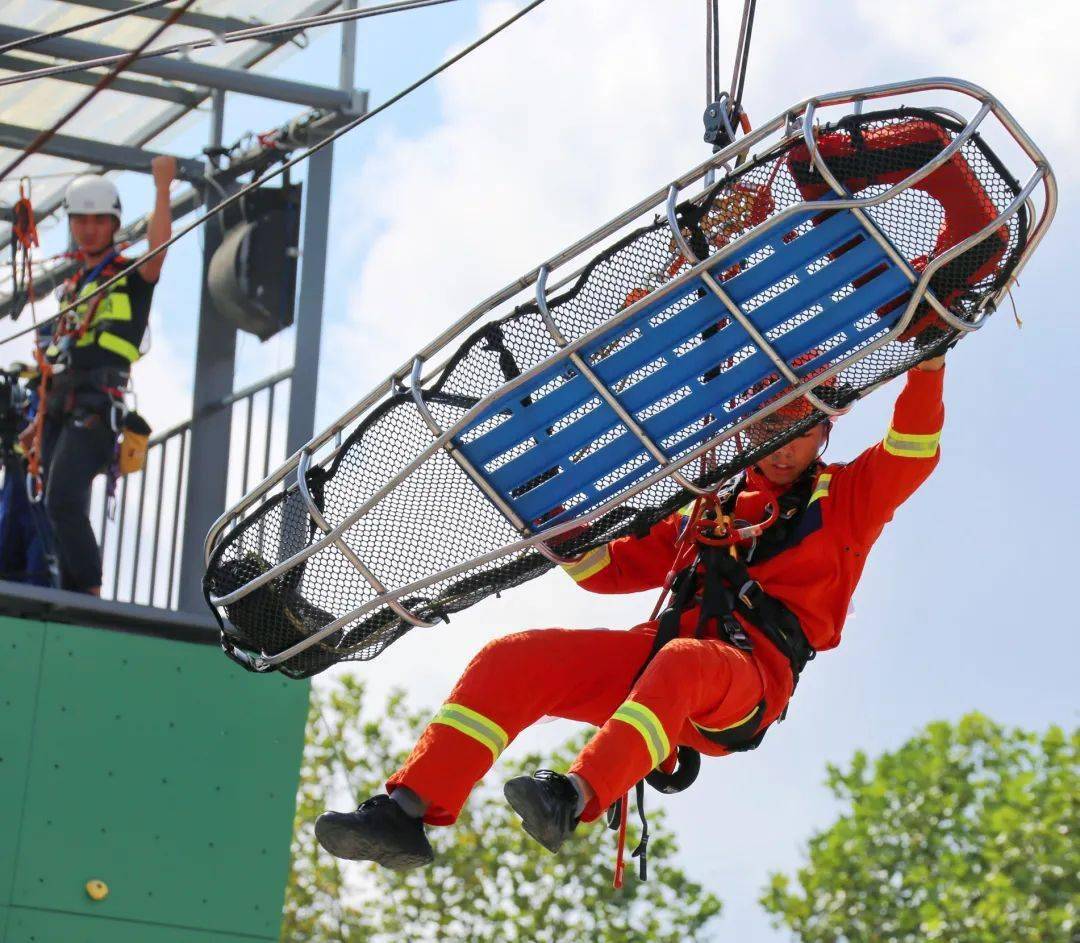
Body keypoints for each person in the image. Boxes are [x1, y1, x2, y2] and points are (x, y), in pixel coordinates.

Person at [314, 354, 948, 872]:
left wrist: (930, 359)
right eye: (766, 429)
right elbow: (608, 571)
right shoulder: (710, 503)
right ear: (747, 428)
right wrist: (555, 521)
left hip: (749, 682)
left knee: (682, 663)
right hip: (660, 667)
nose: (782, 448)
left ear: (826, 429)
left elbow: (913, 449)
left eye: (800, 428)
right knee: (515, 659)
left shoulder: (847, 500)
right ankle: (405, 811)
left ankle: (573, 797)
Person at [23, 159, 175, 595]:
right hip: (58, 406)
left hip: (96, 404)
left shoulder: (130, 276)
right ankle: (70, 590)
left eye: (99, 220)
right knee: (48, 504)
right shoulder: (71, 290)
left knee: (63, 498)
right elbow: (52, 361)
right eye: (81, 221)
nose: (89, 229)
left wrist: (162, 187)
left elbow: (159, 250)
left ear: (113, 224)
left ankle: (88, 591)